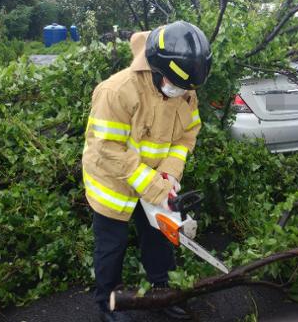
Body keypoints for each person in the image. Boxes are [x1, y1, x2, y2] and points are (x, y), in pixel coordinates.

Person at [82, 21, 212, 322]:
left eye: (187, 88)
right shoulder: (117, 91)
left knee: (159, 238)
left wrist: (169, 174)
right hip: (112, 182)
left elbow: (186, 136)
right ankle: (108, 304)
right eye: (175, 84)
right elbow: (109, 149)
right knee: (111, 246)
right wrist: (153, 185)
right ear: (156, 68)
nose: (181, 92)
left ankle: (162, 294)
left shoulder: (186, 92)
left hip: (155, 178)